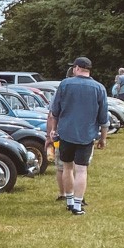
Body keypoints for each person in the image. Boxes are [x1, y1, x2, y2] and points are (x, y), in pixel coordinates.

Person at [46, 56, 109, 216]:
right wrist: (103, 138)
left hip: (66, 133)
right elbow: (103, 118)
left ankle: (68, 200)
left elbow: (55, 111)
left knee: (67, 167)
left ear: (77, 68)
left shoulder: (65, 84)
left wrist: (53, 130)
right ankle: (77, 205)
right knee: (81, 170)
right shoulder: (99, 88)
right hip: (87, 135)